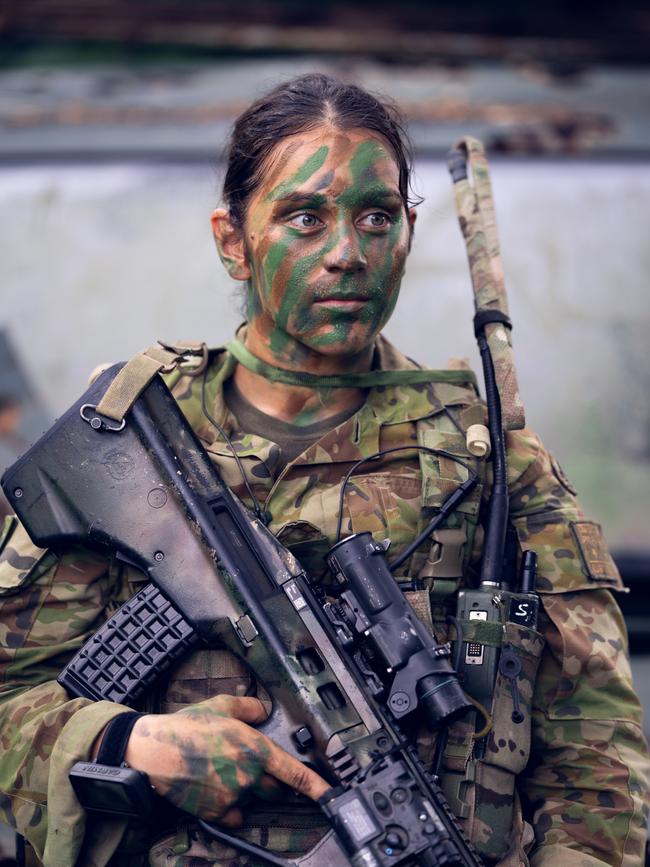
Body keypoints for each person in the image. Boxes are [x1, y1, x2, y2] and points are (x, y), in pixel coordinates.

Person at [0, 73, 648, 867]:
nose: (348, 254)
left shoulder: (494, 468)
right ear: (232, 240)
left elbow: (598, 770)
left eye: (375, 217)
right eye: (305, 217)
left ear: (408, 232)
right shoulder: (134, 440)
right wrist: (127, 739)